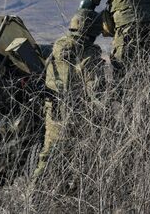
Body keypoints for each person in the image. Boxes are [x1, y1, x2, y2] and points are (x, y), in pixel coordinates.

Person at [32, 9, 106, 181]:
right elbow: (95, 90)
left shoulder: (57, 47)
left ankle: (33, 193)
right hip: (77, 113)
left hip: (53, 110)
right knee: (80, 158)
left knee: (47, 154)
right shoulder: (88, 54)